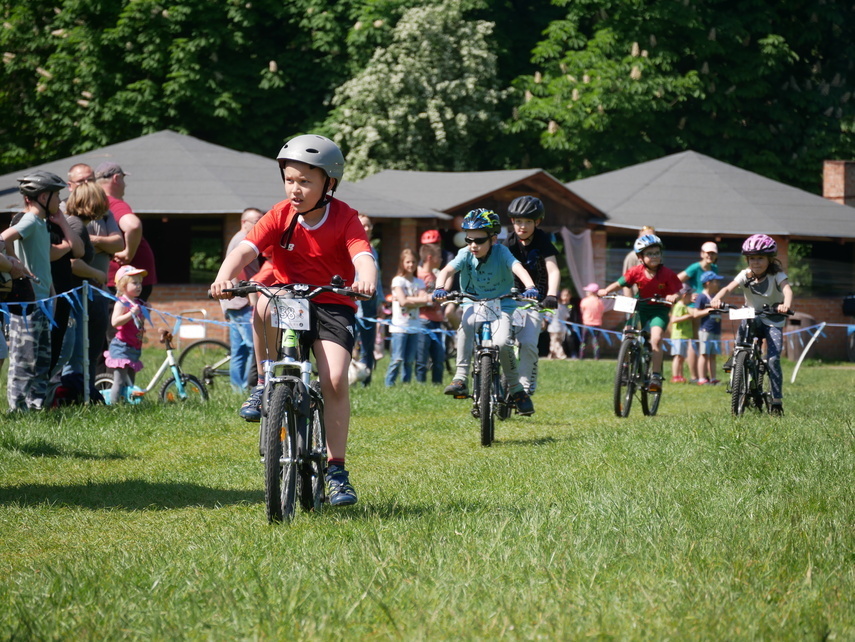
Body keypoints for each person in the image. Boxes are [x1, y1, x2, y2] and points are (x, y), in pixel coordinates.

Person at [210, 134, 376, 507]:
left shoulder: (345, 217)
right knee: (264, 304)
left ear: (328, 183)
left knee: (334, 379)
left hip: (332, 303)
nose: (295, 189)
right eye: (289, 179)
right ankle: (265, 377)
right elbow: (245, 249)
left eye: (305, 181)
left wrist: (366, 278)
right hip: (288, 296)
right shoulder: (279, 215)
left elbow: (362, 255)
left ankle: (336, 471)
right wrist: (224, 276)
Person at [433, 208, 538, 416]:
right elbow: (446, 271)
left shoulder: (502, 252)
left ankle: (517, 390)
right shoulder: (464, 254)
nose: (473, 245)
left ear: (493, 238)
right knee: (466, 326)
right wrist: (440, 288)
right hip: (473, 303)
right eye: (469, 240)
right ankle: (460, 377)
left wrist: (530, 287)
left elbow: (517, 268)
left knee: (501, 343)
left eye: (479, 241)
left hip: (502, 305)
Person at [1, 171, 73, 410]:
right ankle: (17, 409)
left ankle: (35, 407)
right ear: (43, 196)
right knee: (24, 361)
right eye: (57, 195)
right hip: (27, 305)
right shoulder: (30, 220)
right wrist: (14, 264)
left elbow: (42, 260)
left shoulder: (41, 223)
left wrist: (50, 287)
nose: (60, 201)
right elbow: (4, 238)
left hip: (44, 301)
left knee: (41, 361)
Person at [710, 234, 792, 416]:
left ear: (770, 259)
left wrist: (786, 304)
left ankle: (776, 401)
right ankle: (737, 355)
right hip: (752, 315)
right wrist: (716, 298)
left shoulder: (777, 275)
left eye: (760, 258)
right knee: (744, 327)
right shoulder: (744, 275)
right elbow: (727, 288)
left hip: (773, 319)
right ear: (747, 260)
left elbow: (787, 289)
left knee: (773, 358)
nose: (756, 262)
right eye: (752, 258)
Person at [597, 234, 682, 393]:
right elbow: (620, 283)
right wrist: (606, 290)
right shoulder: (635, 271)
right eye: (650, 254)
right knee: (628, 333)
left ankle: (656, 376)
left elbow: (679, 292)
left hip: (660, 309)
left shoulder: (667, 274)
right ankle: (625, 367)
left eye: (657, 253)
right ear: (640, 257)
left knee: (656, 339)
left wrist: (673, 296)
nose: (654, 256)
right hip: (641, 306)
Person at [502, 196, 560, 395]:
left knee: (527, 343)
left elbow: (553, 270)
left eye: (528, 221)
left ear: (537, 222)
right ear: (512, 222)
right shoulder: (508, 242)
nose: (522, 226)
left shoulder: (542, 240)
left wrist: (551, 295)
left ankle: (524, 388)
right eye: (518, 221)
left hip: (536, 301)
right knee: (502, 342)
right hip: (510, 299)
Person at [96, 162, 157, 301]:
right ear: (116, 178)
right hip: (127, 282)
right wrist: (128, 253)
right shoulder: (113, 203)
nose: (125, 185)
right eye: (123, 179)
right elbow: (133, 225)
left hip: (115, 279)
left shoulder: (96, 202)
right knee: (126, 322)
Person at [220, 207, 263, 391]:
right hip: (242, 301)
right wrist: (253, 301)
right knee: (254, 347)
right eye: (256, 222)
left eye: (262, 221)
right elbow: (244, 274)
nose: (259, 225)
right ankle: (248, 386)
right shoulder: (243, 241)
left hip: (233, 302)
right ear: (244, 222)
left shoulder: (239, 239)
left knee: (239, 349)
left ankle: (237, 388)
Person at [385, 248, 430, 386]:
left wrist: (410, 300)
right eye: (408, 262)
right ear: (402, 263)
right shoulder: (398, 281)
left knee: (410, 360)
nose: (411, 265)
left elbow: (426, 300)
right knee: (397, 359)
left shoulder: (419, 282)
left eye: (413, 262)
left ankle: (406, 385)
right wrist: (417, 300)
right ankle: (389, 384)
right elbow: (404, 301)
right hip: (400, 326)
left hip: (414, 326)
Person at [678, 241, 720, 383]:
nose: (710, 255)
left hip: (707, 309)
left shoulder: (714, 268)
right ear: (702, 254)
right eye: (708, 253)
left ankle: (705, 376)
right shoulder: (695, 267)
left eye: (713, 253)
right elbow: (677, 280)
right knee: (695, 341)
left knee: (704, 342)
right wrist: (689, 294)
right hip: (695, 307)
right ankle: (695, 376)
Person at [105, 266, 148, 403]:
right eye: (134, 283)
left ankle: (127, 404)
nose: (139, 286)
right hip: (122, 347)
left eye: (140, 283)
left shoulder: (138, 303)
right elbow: (115, 322)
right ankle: (113, 406)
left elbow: (138, 322)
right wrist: (131, 313)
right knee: (119, 381)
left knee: (130, 380)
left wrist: (146, 311)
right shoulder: (122, 303)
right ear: (123, 285)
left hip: (134, 346)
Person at [355, 214, 384, 385]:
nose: (366, 229)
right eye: (362, 225)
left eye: (368, 226)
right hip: (352, 301)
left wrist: (379, 301)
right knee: (349, 342)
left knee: (368, 344)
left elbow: (377, 279)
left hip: (370, 302)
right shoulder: (349, 248)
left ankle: (366, 379)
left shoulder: (373, 251)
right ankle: (348, 377)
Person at [416, 242, 445, 384]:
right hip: (423, 320)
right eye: (438, 257)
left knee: (439, 358)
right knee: (422, 358)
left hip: (437, 320)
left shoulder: (435, 276)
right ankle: (420, 384)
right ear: (429, 257)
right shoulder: (418, 276)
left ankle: (437, 384)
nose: (440, 260)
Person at [695, 270, 725, 384]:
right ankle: (702, 378)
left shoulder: (715, 297)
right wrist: (709, 310)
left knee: (713, 355)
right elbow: (695, 314)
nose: (718, 283)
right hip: (705, 330)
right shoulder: (702, 297)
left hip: (716, 330)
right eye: (716, 281)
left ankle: (713, 378)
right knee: (703, 354)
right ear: (708, 283)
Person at [668, 285, 694, 383]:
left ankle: (680, 376)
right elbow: (674, 319)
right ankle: (675, 376)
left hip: (684, 335)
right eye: (690, 295)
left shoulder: (684, 306)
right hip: (678, 335)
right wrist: (688, 316)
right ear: (685, 295)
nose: (691, 297)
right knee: (678, 356)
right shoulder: (679, 306)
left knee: (682, 357)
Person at [578, 282, 604, 360]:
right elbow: (601, 312)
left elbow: (582, 310)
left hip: (586, 324)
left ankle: (581, 356)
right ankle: (596, 356)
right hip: (597, 324)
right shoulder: (599, 302)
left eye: (587, 291)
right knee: (596, 341)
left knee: (584, 341)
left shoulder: (585, 301)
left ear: (591, 292)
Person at [546, 287, 572, 359]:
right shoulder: (564, 307)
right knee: (556, 342)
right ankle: (551, 356)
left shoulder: (552, 307)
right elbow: (566, 317)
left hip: (554, 327)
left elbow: (547, 317)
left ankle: (561, 355)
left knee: (555, 342)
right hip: (562, 328)